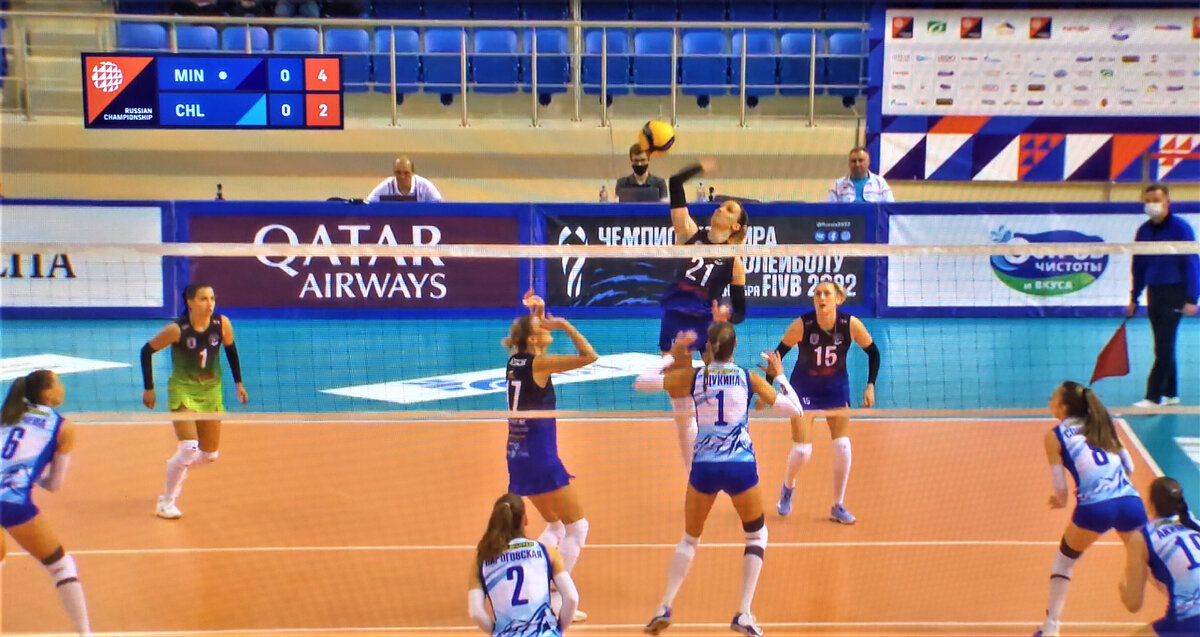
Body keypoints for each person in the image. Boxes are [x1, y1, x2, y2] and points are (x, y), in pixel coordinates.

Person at [643, 323, 802, 637]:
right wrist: (781, 375)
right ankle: (743, 612)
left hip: (704, 466)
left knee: (690, 539)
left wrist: (671, 355)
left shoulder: (695, 376)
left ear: (709, 349)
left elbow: (641, 383)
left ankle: (664, 606)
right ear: (735, 347)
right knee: (756, 536)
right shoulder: (748, 377)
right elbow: (795, 410)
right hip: (740, 466)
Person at [632, 161, 749, 468]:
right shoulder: (689, 233)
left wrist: (726, 319)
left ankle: (726, 455)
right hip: (676, 320)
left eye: (728, 209)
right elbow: (674, 182)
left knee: (718, 398)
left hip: (708, 325)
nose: (720, 209)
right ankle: (692, 475)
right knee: (682, 410)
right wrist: (698, 167)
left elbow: (741, 312)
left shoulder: (735, 261)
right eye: (721, 205)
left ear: (735, 226)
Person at [504, 291, 597, 622]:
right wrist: (564, 324)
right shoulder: (540, 363)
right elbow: (589, 356)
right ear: (533, 338)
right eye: (540, 327)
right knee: (578, 527)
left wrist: (539, 313)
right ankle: (554, 595)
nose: (546, 327)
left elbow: (531, 338)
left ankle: (529, 580)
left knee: (555, 525)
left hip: (517, 454)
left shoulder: (515, 361)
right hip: (541, 457)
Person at [1032, 381, 1147, 637]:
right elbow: (1129, 467)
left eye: (1053, 396)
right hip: (1130, 502)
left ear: (1063, 407)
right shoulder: (1101, 424)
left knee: (1064, 561)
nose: (1049, 399)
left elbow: (1061, 491)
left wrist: (1059, 501)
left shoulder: (1055, 436)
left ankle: (1051, 627)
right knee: (1151, 558)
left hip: (1096, 508)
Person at [772, 280, 879, 525]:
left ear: (838, 299)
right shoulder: (803, 325)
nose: (821, 297)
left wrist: (870, 385)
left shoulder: (850, 324)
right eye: (818, 293)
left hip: (835, 389)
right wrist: (768, 393)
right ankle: (788, 487)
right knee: (802, 451)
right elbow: (777, 357)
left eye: (827, 293)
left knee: (843, 446)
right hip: (804, 389)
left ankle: (837, 506)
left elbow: (873, 352)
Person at [141, 283, 249, 520]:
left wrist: (239, 384)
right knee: (189, 447)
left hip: (211, 391)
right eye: (203, 299)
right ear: (190, 302)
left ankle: (176, 466)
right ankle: (166, 501)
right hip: (184, 389)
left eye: (212, 298)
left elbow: (231, 351)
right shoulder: (177, 330)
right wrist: (149, 388)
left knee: (209, 455)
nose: (210, 304)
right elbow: (146, 351)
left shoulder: (222, 324)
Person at [1, 371, 92, 635]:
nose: (63, 387)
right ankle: (85, 634)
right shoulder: (62, 427)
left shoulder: (6, 413)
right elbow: (54, 485)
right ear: (48, 393)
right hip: (11, 501)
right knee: (61, 566)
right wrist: (32, 474)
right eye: (58, 383)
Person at [1127, 183, 1199, 408]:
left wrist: (1191, 298)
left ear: (1167, 202)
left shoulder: (1181, 228)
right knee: (1162, 344)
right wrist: (1134, 297)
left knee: (1164, 346)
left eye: (1156, 200)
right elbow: (1138, 265)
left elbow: (1192, 262)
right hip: (1154, 292)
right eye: (1148, 201)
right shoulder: (1144, 231)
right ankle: (1171, 393)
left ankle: (1153, 397)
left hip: (1175, 292)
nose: (1152, 205)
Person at [468, 493, 579, 636]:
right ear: (525, 519)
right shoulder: (547, 552)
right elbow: (571, 598)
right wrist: (557, 630)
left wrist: (497, 632)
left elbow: (475, 612)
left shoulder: (482, 559)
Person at [1119, 476, 1200, 637]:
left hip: (1189, 621)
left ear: (1150, 503)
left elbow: (1133, 603)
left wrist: (1123, 586)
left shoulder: (1144, 537)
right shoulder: (1194, 523)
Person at [827, 146, 894, 203]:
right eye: (854, 161)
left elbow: (890, 209)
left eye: (860, 160)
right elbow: (829, 210)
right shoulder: (838, 185)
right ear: (849, 163)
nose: (857, 164)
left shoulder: (880, 183)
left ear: (868, 162)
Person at [366, 156, 444, 203]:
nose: (402, 177)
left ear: (413, 173)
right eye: (398, 173)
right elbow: (368, 204)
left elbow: (439, 206)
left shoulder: (424, 186)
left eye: (406, 173)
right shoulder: (387, 186)